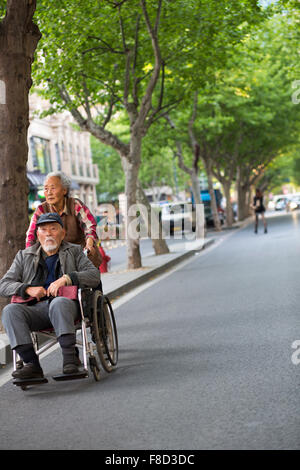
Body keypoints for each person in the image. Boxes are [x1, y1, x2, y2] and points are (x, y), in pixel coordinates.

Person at [0, 213, 101, 380]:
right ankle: (32, 365)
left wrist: (67, 279)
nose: (48, 233)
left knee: (59, 303)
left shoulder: (74, 251)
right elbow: (3, 285)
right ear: (37, 234)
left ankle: (70, 360)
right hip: (35, 309)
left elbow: (93, 276)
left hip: (67, 307)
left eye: (53, 229)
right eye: (43, 230)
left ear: (62, 233)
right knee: (10, 311)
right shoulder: (23, 256)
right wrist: (26, 289)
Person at [26, 171, 102, 268]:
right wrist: (29, 255)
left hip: (81, 255)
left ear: (64, 190)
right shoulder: (41, 209)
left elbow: (90, 225)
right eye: (46, 189)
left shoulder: (75, 205)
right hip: (56, 260)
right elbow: (31, 234)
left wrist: (89, 243)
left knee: (88, 278)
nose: (49, 192)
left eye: (53, 188)